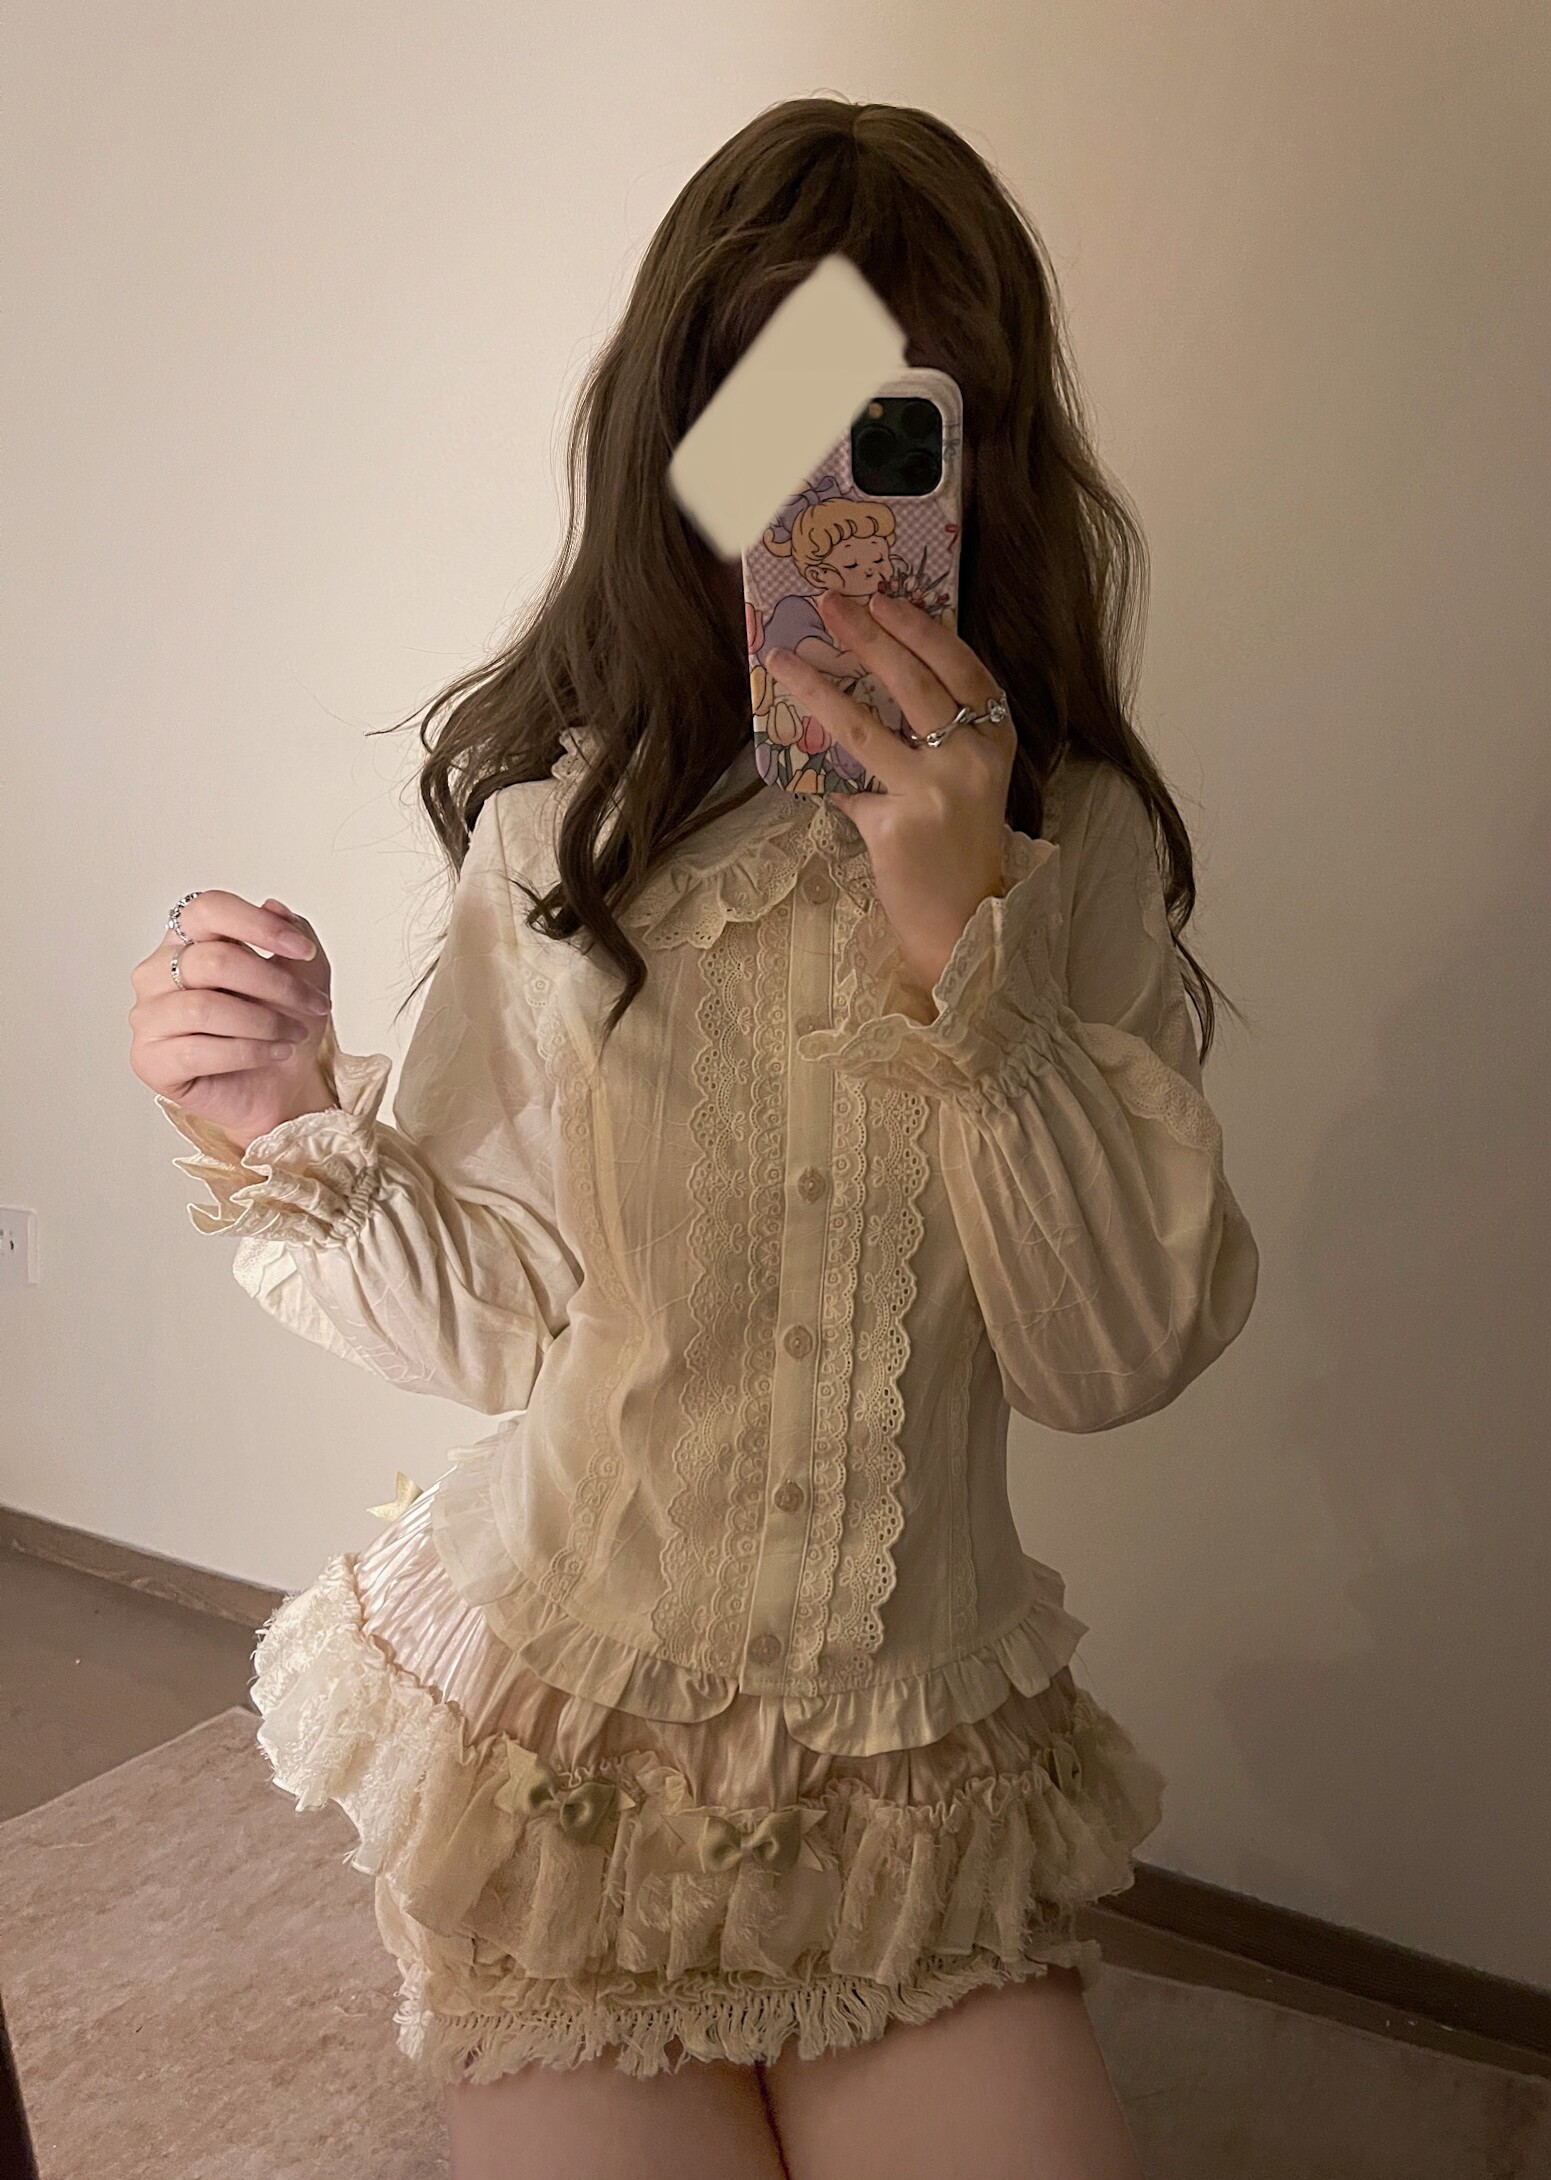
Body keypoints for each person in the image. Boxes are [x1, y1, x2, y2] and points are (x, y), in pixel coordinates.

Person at [127, 97, 1259, 2180]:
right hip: (572, 1732)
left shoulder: (1076, 847)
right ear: (688, 448)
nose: (835, 509)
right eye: (774, 425)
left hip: (908, 1764)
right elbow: (500, 1325)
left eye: (895, 431)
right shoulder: (564, 833)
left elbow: (1106, 1359)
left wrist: (968, 950)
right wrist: (285, 1116)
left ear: (985, 458)